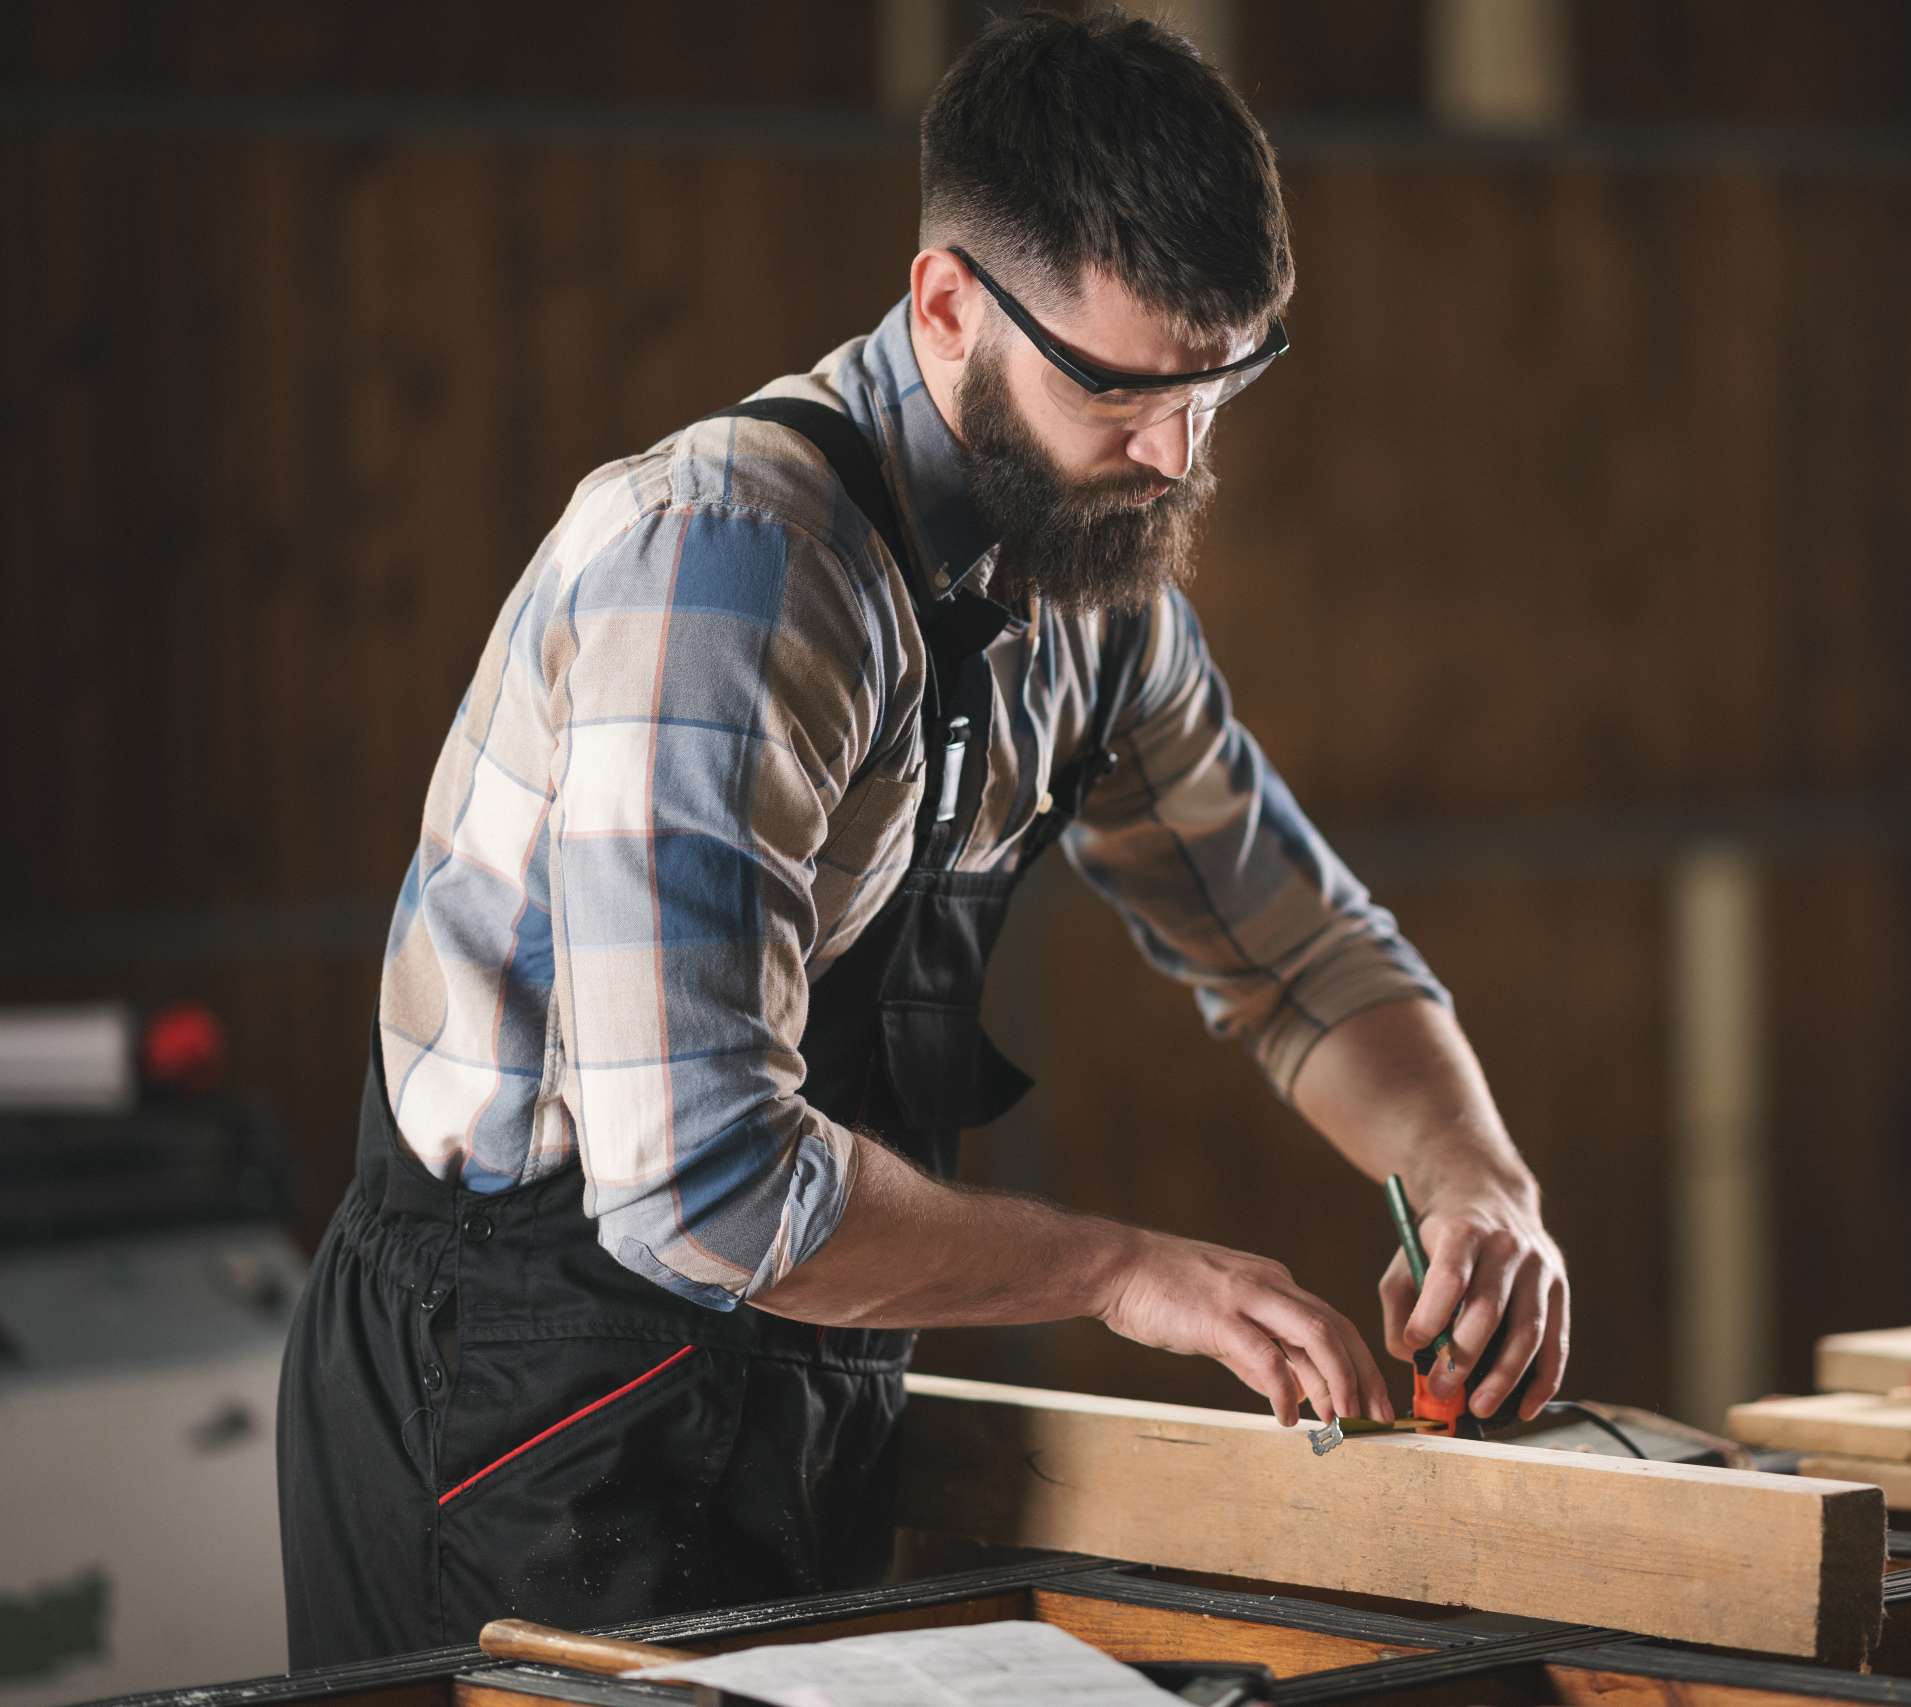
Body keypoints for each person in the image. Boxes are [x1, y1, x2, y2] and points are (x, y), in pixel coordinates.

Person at [277, 7, 1567, 1666]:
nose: (1177, 455)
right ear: (947, 302)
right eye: (1118, 385)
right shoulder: (730, 567)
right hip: (517, 1403)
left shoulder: (1095, 570)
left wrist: (1475, 1184)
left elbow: (1298, 949)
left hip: (793, 1373)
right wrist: (1120, 1272)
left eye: (1220, 382)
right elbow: (703, 1182)